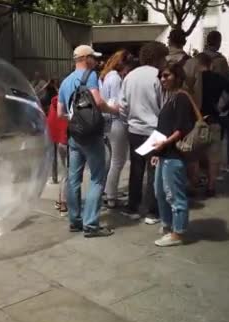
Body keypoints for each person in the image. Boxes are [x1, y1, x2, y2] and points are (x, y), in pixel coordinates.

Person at [57, 45, 118, 238]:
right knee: (97, 178)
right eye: (93, 57)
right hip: (91, 136)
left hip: (74, 135)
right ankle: (91, 225)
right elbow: (99, 102)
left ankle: (75, 221)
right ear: (84, 58)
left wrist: (76, 122)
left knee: (74, 178)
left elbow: (60, 113)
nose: (95, 61)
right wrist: (114, 110)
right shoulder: (90, 75)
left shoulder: (65, 81)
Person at [120, 41, 168, 224]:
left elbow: (123, 105)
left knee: (136, 169)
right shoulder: (158, 77)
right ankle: (152, 211)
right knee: (154, 170)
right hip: (154, 129)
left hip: (134, 129)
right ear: (157, 57)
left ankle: (133, 206)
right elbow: (163, 105)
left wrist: (129, 119)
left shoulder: (130, 76)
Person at [150, 62, 196, 247]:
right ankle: (168, 225)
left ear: (177, 76)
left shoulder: (181, 98)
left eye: (167, 75)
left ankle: (178, 232)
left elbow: (182, 128)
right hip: (164, 153)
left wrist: (164, 143)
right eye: (161, 76)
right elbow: (166, 127)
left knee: (174, 194)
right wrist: (156, 151)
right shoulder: (171, 97)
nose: (163, 79)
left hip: (174, 154)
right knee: (160, 191)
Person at [187, 53, 229, 196]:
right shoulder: (218, 78)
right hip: (214, 118)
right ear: (210, 64)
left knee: (194, 155)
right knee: (213, 157)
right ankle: (211, 186)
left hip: (196, 120)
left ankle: (194, 184)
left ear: (197, 63)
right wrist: (223, 108)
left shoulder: (193, 80)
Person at [99, 49, 134, 208]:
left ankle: (109, 192)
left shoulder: (107, 76)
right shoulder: (116, 79)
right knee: (118, 161)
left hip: (109, 122)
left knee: (114, 159)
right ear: (123, 64)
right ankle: (111, 195)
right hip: (117, 121)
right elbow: (117, 104)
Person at [47, 94, 68, 215]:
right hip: (68, 141)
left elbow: (51, 123)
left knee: (66, 172)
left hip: (60, 142)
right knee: (69, 174)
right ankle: (63, 202)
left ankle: (61, 201)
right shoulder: (68, 102)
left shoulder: (55, 103)